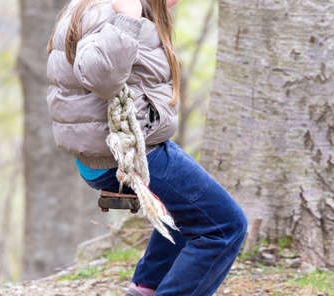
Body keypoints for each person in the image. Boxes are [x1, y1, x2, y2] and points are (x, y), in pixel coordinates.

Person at [46, 0, 249, 295]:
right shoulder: (114, 12)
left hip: (114, 152)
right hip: (125, 157)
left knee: (191, 213)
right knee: (224, 227)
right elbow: (99, 75)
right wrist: (128, 20)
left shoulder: (98, 6)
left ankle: (145, 289)